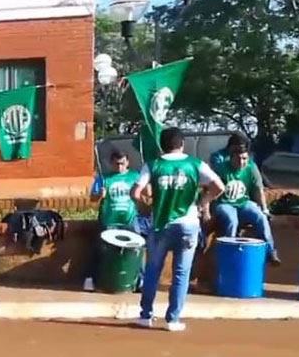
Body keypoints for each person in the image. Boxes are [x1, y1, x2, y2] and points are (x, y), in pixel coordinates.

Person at [131, 127, 225, 332]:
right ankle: (172, 319)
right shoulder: (195, 164)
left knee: (152, 270)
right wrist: (203, 202)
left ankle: (146, 315)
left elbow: (136, 191)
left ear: (162, 146)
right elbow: (219, 186)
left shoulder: (153, 165)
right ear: (182, 144)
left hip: (160, 224)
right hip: (188, 223)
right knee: (181, 273)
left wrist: (145, 208)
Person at [83, 149, 149, 291]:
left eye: (123, 164)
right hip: (109, 220)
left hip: (129, 219)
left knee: (137, 249)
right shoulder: (103, 178)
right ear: (111, 164)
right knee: (101, 249)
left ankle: (140, 280)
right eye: (117, 164)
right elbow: (92, 199)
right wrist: (100, 195)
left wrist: (147, 189)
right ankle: (91, 279)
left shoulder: (135, 176)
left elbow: (146, 194)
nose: (120, 167)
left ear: (128, 163)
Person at [212, 140, 281, 265]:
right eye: (238, 158)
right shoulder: (221, 169)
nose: (241, 162)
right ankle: (229, 253)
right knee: (231, 220)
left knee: (260, 217)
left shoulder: (251, 167)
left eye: (244, 158)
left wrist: (265, 209)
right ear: (230, 158)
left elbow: (258, 189)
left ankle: (270, 251)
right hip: (224, 203)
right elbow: (210, 188)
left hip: (243, 202)